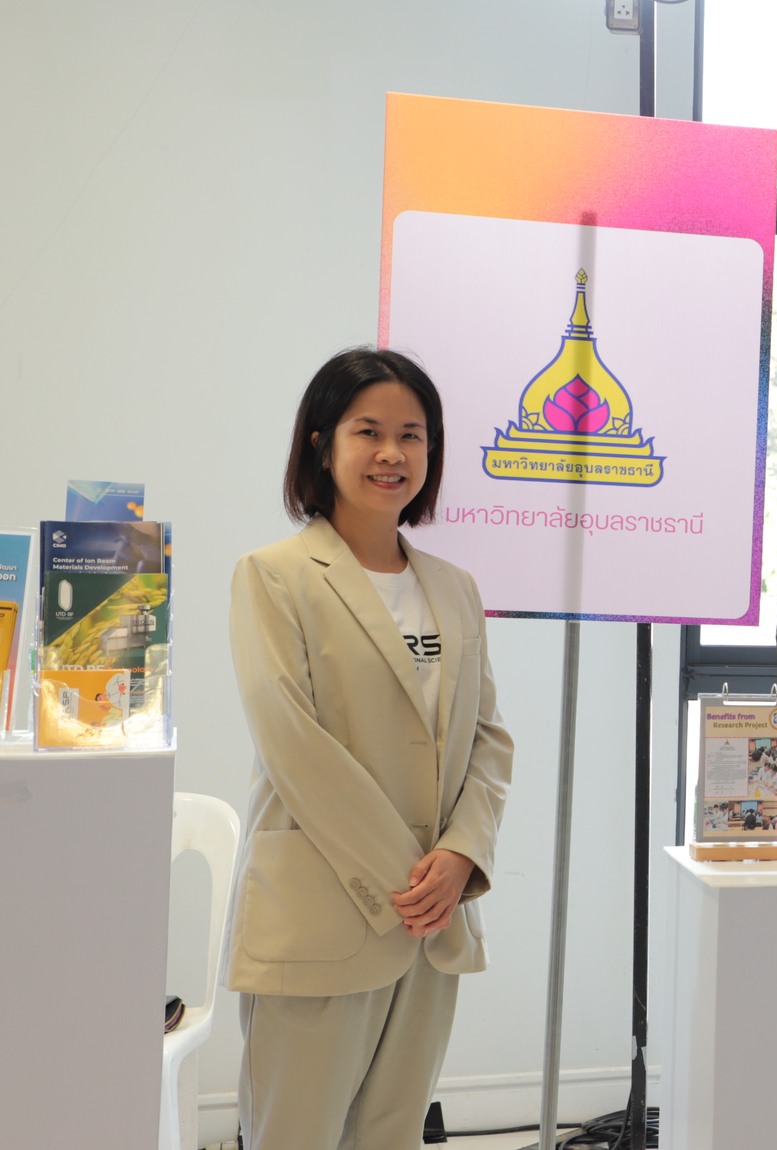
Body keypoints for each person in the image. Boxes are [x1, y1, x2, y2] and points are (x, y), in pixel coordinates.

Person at [227, 347, 513, 1150]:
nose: (392, 453)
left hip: (432, 923)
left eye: (412, 435)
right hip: (324, 912)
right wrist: (411, 878)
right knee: (293, 1134)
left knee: (391, 1136)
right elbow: (292, 741)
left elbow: (488, 736)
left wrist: (461, 856)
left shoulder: (454, 587)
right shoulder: (274, 576)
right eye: (369, 431)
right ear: (322, 444)